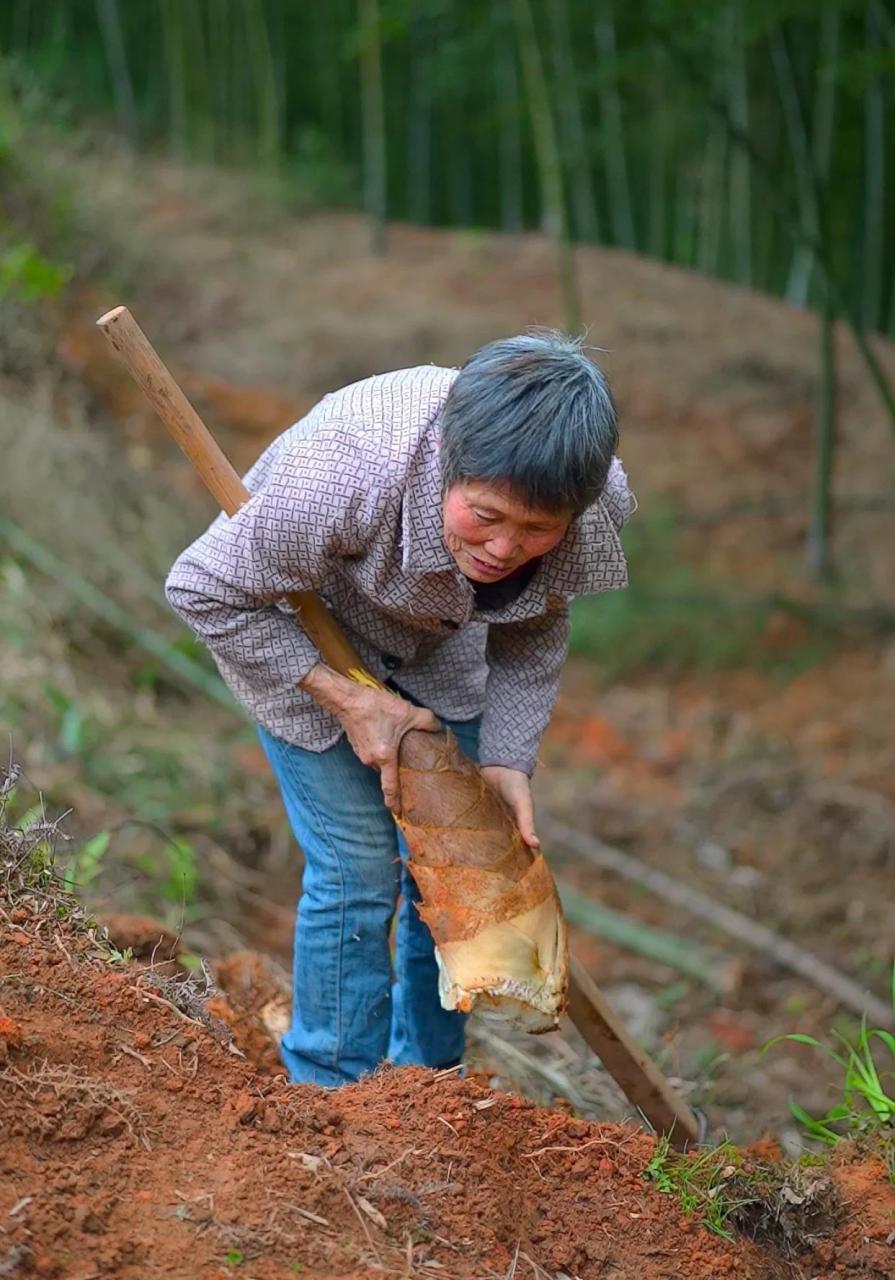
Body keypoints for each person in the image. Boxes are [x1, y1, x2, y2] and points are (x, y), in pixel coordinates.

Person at [165, 329, 634, 1086]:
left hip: (438, 640)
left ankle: (426, 1085)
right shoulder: (350, 469)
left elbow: (534, 623)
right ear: (448, 461)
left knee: (455, 872)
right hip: (294, 632)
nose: (505, 548)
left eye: (535, 529)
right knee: (356, 870)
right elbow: (201, 589)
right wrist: (347, 698)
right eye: (484, 515)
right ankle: (329, 1083)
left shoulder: (585, 500)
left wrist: (508, 759)